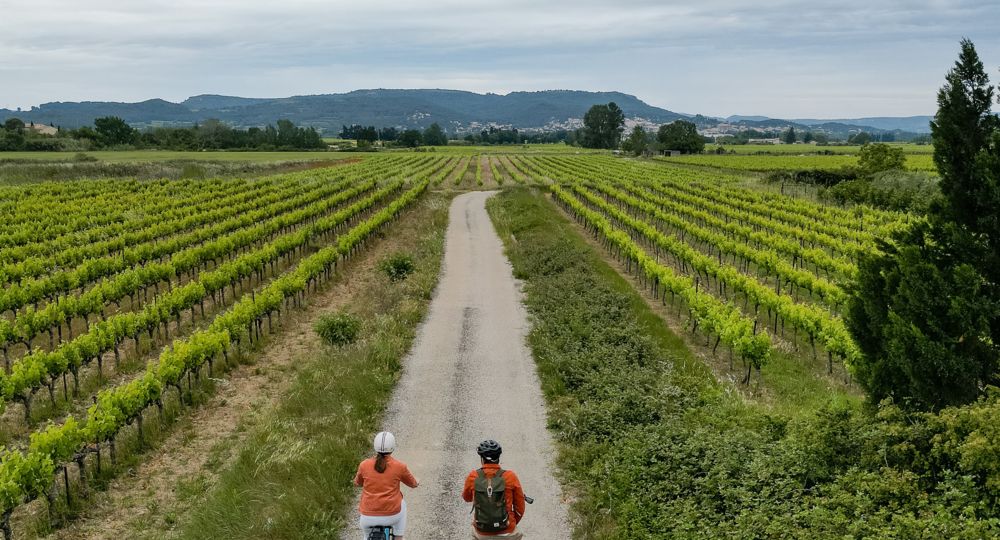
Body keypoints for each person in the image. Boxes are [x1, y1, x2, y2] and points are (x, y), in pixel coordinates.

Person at [354, 431, 419, 540]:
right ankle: (398, 536)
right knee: (402, 504)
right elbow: (413, 484)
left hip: (367, 517)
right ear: (392, 447)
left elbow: (358, 483)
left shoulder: (364, 465)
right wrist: (417, 481)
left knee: (366, 535)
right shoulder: (400, 467)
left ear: (375, 446)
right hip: (392, 515)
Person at [462, 439, 525, 539]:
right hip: (507, 532)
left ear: (482, 459)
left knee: (474, 533)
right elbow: (520, 508)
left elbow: (467, 498)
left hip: (482, 531)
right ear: (498, 458)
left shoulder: (473, 476)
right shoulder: (510, 476)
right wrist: (510, 522)